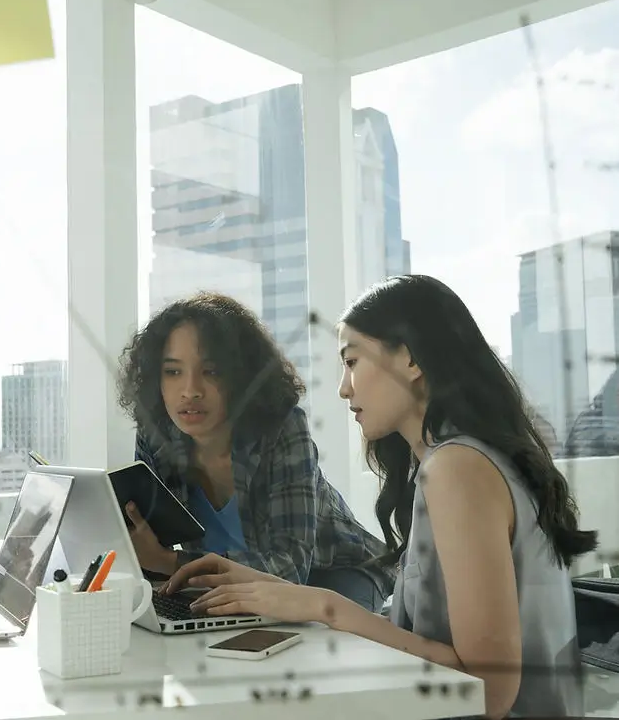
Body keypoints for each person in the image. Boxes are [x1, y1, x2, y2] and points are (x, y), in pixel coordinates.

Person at [162, 275, 597, 719]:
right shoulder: (461, 460)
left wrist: (323, 605)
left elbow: (487, 690)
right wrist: (270, 588)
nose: (343, 387)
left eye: (352, 361)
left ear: (409, 359)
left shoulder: (457, 470)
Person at [117, 292, 394, 613]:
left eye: (211, 371)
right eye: (173, 372)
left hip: (335, 572)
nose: (190, 390)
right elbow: (148, 547)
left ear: (241, 376)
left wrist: (171, 562)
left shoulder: (282, 428)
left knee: (317, 647)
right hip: (232, 583)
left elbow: (291, 569)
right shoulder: (157, 436)